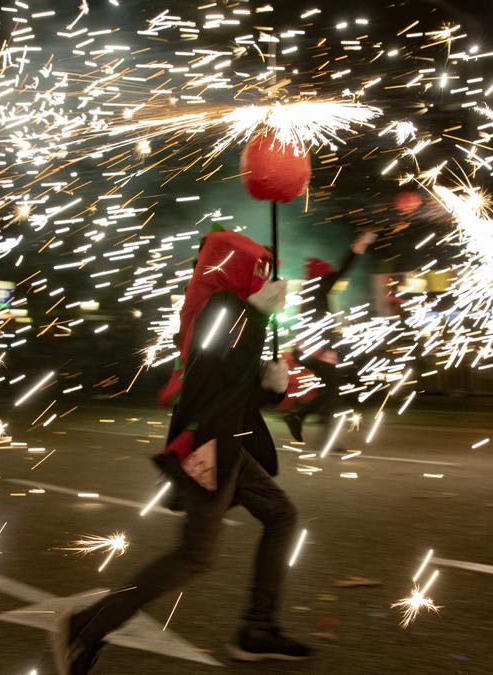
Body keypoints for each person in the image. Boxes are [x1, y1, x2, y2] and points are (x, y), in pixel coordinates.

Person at [52, 230, 307, 674]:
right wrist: (255, 320)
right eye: (257, 271)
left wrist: (270, 384)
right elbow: (211, 378)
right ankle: (85, 627)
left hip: (231, 442)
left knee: (281, 517)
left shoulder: (235, 313)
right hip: (211, 446)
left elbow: (235, 390)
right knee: (194, 557)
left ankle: (259, 628)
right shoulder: (222, 311)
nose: (263, 278)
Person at [283, 231, 376, 444]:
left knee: (331, 390)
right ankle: (305, 421)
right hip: (315, 350)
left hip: (310, 350)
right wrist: (358, 247)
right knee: (333, 390)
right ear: (323, 276)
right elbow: (343, 269)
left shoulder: (311, 291)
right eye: (328, 275)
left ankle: (303, 418)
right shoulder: (321, 288)